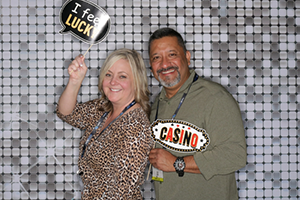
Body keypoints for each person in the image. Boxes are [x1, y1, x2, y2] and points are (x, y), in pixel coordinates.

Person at [148, 27, 247, 200]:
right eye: (157, 58)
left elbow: (235, 155)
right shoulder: (158, 104)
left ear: (187, 57)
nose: (164, 64)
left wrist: (176, 163)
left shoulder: (215, 97)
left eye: (172, 54)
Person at [56, 48, 154, 199]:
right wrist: (75, 81)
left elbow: (121, 191)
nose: (113, 82)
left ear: (136, 81)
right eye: (108, 74)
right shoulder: (103, 108)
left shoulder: (136, 126)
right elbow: (67, 113)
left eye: (122, 76)